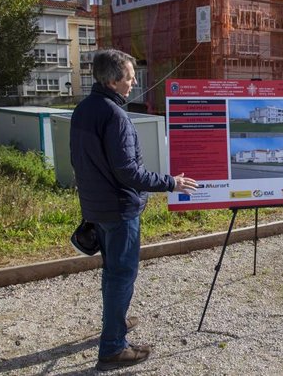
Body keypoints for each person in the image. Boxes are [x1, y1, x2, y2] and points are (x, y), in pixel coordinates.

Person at [70, 49, 198, 372]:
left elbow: (80, 163)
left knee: (112, 272)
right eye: (129, 77)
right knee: (122, 275)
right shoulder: (116, 117)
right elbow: (129, 172)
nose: (133, 83)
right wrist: (171, 182)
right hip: (119, 210)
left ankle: (117, 323)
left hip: (96, 209)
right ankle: (113, 347)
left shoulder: (83, 110)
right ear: (113, 80)